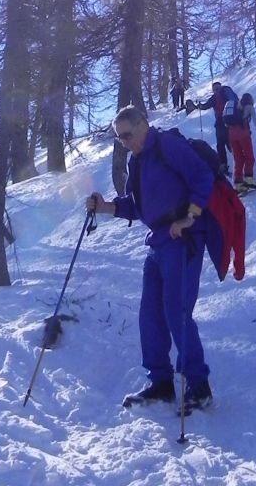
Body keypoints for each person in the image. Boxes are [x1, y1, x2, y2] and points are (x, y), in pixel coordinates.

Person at [86, 105, 214, 414]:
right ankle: (161, 383)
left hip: (182, 239)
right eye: (120, 138)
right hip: (157, 242)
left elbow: (202, 176)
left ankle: (199, 386)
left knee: (176, 310)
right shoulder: (136, 161)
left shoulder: (167, 145)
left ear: (144, 125)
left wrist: (190, 217)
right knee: (150, 315)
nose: (125, 142)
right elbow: (135, 206)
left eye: (128, 135)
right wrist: (104, 207)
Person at [229, 92, 256, 194]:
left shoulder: (236, 106)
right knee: (249, 156)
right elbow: (255, 119)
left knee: (238, 158)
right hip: (243, 134)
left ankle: (238, 183)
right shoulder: (249, 106)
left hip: (231, 134)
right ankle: (249, 179)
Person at [194, 82, 231, 173]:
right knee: (230, 144)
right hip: (229, 122)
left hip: (220, 123)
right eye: (215, 89)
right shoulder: (226, 95)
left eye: (217, 89)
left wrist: (199, 105)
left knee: (221, 145)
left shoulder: (214, 98)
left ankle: (224, 165)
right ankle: (241, 162)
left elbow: (205, 106)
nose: (216, 91)